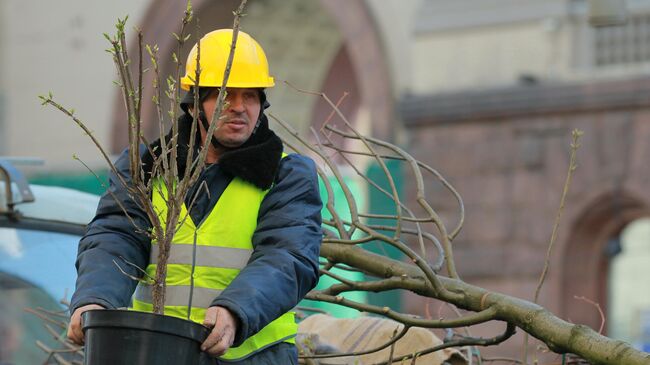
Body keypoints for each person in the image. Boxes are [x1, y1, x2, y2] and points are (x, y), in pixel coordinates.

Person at [66, 29, 323, 364]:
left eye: (250, 96)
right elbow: (115, 236)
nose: (240, 108)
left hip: (255, 357)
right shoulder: (147, 166)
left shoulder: (287, 175)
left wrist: (234, 311)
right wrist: (94, 300)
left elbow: (288, 257)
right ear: (195, 104)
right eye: (225, 95)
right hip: (156, 354)